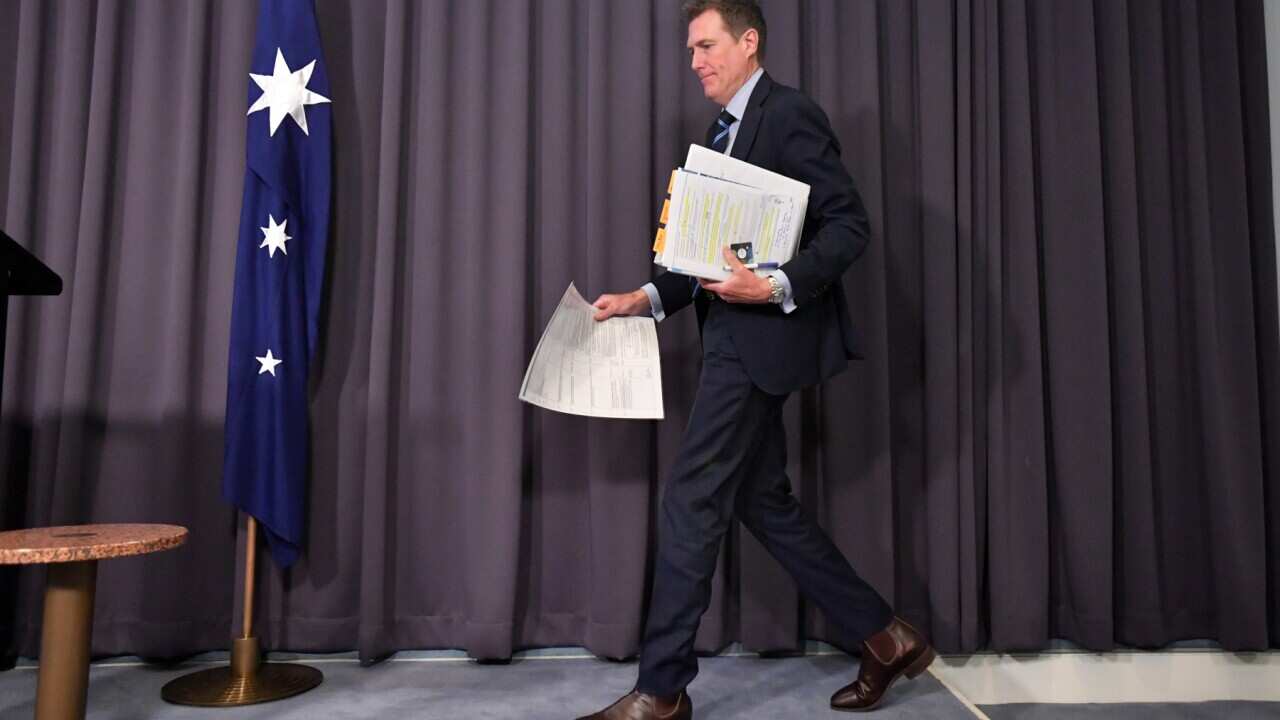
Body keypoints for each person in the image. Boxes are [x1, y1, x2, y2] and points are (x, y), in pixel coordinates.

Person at [578, 1, 934, 718]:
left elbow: (850, 224)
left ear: (749, 42)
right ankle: (887, 637)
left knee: (690, 499)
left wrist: (772, 284)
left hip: (757, 343)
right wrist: (642, 297)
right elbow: (695, 258)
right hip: (731, 344)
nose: (695, 61)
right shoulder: (714, 136)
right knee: (760, 501)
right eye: (691, 50)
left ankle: (661, 691)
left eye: (707, 45)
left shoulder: (790, 114)